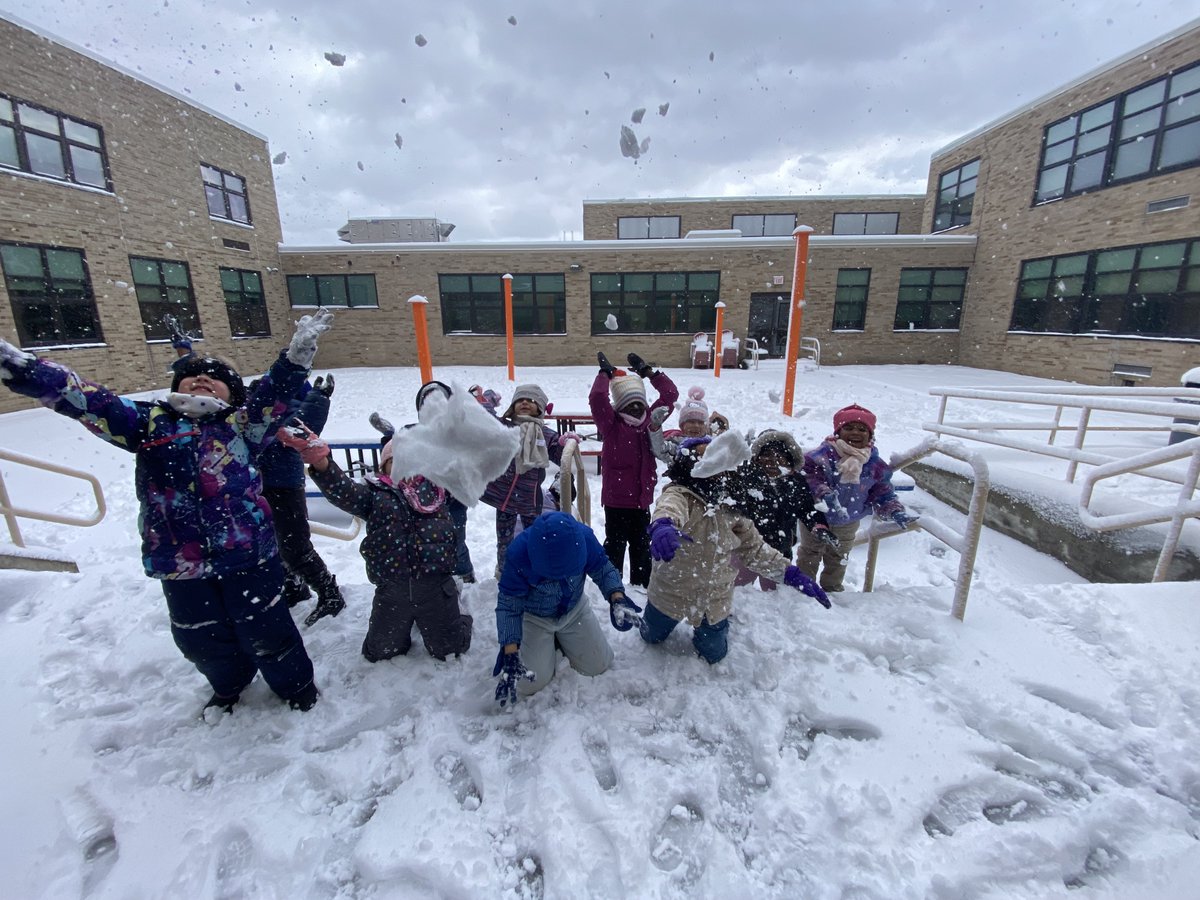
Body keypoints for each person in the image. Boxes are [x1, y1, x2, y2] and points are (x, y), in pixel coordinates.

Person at [0, 310, 335, 714]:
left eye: (215, 376)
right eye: (192, 374)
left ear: (232, 394)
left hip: (248, 557)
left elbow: (274, 394)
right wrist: (24, 370)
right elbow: (86, 398)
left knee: (268, 629)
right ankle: (229, 684)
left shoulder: (243, 426)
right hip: (180, 564)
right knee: (200, 638)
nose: (202, 378)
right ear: (176, 384)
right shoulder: (146, 424)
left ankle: (297, 688)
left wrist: (296, 358)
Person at [164, 314, 346, 626]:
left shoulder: (273, 409)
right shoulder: (232, 412)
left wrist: (320, 397)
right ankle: (293, 586)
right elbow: (197, 377)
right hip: (249, 485)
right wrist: (184, 349)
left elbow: (305, 423)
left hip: (283, 484)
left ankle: (329, 592)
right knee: (270, 543)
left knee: (295, 545)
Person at [278, 398, 474, 663]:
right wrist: (321, 461)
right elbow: (343, 492)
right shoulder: (374, 494)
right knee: (379, 652)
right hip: (392, 588)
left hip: (436, 585)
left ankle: (456, 611)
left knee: (450, 649)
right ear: (385, 468)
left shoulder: (439, 491)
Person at [640, 437, 830, 664]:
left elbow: (755, 549)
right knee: (651, 635)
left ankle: (712, 633)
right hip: (672, 589)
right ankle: (653, 624)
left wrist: (790, 573)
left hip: (714, 596)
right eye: (701, 456)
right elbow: (669, 508)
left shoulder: (732, 505)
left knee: (714, 653)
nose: (711, 462)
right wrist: (663, 525)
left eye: (716, 456)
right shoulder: (680, 494)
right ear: (687, 463)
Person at [491, 511, 642, 706]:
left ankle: (560, 641)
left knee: (598, 664)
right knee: (529, 684)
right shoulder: (518, 553)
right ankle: (548, 644)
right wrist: (510, 650)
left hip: (574, 609)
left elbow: (603, 569)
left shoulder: (584, 537)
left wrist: (617, 597)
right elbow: (509, 605)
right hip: (535, 617)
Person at [799, 404, 916, 593]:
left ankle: (832, 589)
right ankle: (804, 588)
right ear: (838, 431)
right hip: (815, 516)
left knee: (839, 555)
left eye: (862, 429)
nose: (855, 432)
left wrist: (893, 510)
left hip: (848, 520)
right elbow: (809, 476)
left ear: (870, 435)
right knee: (810, 553)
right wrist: (823, 493)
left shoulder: (874, 464)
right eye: (849, 428)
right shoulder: (821, 456)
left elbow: (882, 491)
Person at [370, 381, 478, 584]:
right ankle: (436, 578)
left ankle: (464, 572)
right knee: (428, 542)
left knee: (455, 539)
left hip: (453, 501)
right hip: (421, 502)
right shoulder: (412, 432)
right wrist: (390, 437)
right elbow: (396, 453)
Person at [589, 351, 678, 588]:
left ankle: (641, 586)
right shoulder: (611, 425)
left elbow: (670, 395)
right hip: (616, 503)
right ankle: (611, 585)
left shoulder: (651, 422)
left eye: (640, 403)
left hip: (641, 501)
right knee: (615, 546)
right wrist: (604, 375)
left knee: (641, 547)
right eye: (630, 404)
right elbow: (598, 399)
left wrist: (649, 373)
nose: (637, 408)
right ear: (620, 407)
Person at [480, 383, 579, 577]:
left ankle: (535, 567)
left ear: (540, 408)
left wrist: (563, 443)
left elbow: (558, 456)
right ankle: (505, 571)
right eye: (520, 400)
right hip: (503, 498)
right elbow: (483, 419)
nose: (525, 402)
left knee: (534, 536)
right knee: (504, 540)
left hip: (529, 498)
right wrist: (488, 400)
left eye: (531, 400)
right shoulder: (506, 427)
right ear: (513, 405)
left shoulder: (544, 433)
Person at [726, 430, 835, 591]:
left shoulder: (795, 483)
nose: (773, 462)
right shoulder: (745, 479)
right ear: (756, 458)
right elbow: (730, 508)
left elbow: (807, 509)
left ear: (790, 463)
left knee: (777, 594)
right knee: (735, 589)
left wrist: (818, 526)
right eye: (767, 456)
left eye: (780, 457)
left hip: (779, 549)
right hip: (745, 548)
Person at [649, 385, 730, 463]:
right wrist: (655, 426)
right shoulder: (678, 442)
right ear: (682, 426)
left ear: (706, 426)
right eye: (691, 422)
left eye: (701, 422)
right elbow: (660, 450)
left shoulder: (711, 443)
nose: (696, 425)